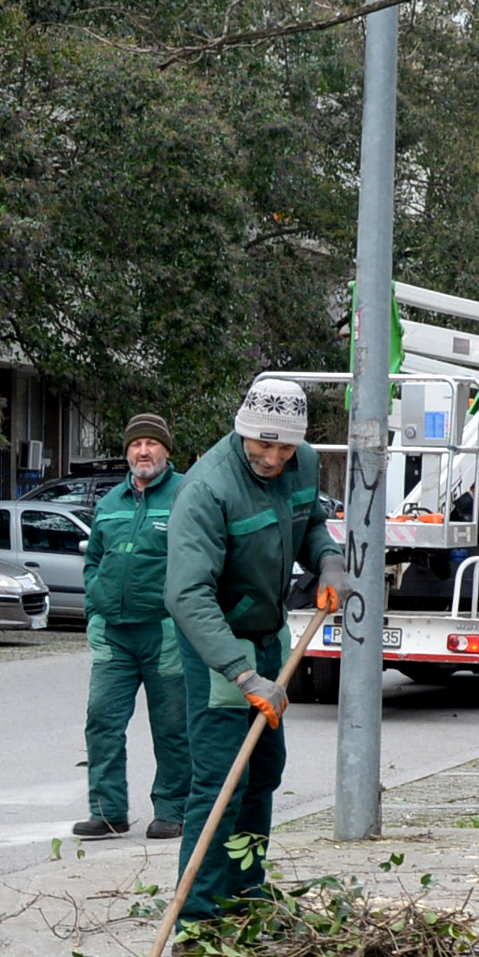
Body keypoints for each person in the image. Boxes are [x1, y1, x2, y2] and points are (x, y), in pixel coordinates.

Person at [161, 377, 327, 922]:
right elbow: (187, 594)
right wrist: (242, 675)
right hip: (218, 644)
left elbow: (313, 527)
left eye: (285, 447)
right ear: (242, 429)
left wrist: (330, 561)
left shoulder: (303, 463)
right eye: (263, 445)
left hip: (268, 636)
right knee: (221, 780)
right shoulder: (207, 488)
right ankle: (199, 915)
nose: (274, 458)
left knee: (263, 773)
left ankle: (244, 894)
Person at [72, 413, 201, 840]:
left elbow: (202, 558)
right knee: (101, 721)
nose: (142, 452)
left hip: (164, 630)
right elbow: (93, 561)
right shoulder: (110, 503)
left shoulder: (187, 493)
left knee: (171, 726)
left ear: (167, 449)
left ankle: (172, 809)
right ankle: (107, 812)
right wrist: (95, 607)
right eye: (135, 445)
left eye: (151, 444)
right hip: (113, 633)